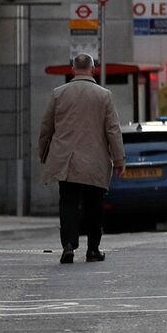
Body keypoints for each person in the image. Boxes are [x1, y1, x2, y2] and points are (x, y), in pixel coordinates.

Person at [38, 53, 125, 264]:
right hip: (94, 160)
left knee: (68, 202)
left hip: (66, 159)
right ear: (93, 69)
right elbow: (112, 130)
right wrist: (119, 160)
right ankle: (93, 249)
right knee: (94, 205)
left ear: (73, 69)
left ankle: (68, 244)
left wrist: (44, 154)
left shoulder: (58, 94)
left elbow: (46, 128)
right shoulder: (104, 96)